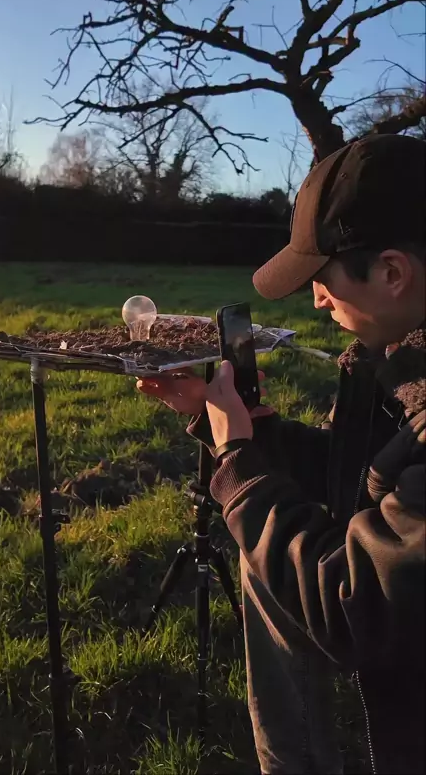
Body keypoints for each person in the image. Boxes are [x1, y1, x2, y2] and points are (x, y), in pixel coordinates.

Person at [137, 134, 425, 775]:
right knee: (267, 556)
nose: (317, 299)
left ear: (392, 273)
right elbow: (369, 478)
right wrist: (244, 436)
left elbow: (359, 604)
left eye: (323, 279)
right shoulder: (398, 361)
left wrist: (239, 464)